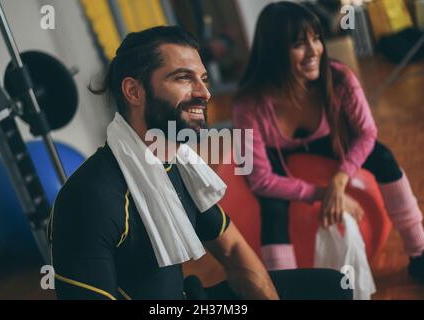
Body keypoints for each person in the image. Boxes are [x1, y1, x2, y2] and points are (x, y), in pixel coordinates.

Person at [48, 26, 352, 300]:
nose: (204, 93)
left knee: (333, 288)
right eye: (183, 78)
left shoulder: (179, 165)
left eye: (203, 79)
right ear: (133, 91)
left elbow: (233, 250)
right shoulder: (89, 200)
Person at [232, 1, 424, 282]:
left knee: (382, 157)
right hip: (277, 153)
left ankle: (419, 252)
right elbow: (259, 178)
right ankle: (285, 286)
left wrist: (339, 179)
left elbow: (367, 133)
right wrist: (321, 193)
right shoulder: (247, 104)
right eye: (299, 43)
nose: (314, 51)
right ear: (273, 51)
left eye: (316, 38)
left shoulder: (340, 78)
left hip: (327, 141)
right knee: (272, 206)